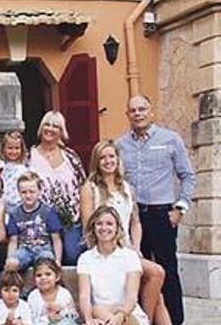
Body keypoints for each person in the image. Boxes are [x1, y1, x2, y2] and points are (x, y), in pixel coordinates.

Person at [116, 95, 194, 325]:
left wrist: (180, 208)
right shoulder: (120, 145)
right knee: (137, 270)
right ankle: (144, 319)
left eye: (142, 109)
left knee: (167, 269)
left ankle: (175, 320)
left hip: (162, 215)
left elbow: (187, 176)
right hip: (133, 217)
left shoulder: (171, 140)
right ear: (127, 115)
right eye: (133, 110)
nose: (138, 113)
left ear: (151, 112)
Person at [80, 139, 172, 325]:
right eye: (102, 157)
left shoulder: (127, 188)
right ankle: (140, 319)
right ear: (96, 162)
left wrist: (136, 247)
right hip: (105, 245)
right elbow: (88, 224)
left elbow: (135, 222)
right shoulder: (90, 188)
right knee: (156, 273)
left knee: (158, 291)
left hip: (127, 246)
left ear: (117, 159)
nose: (108, 161)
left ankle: (141, 319)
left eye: (111, 156)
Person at [28, 111, 85, 265]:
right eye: (47, 124)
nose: (50, 129)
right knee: (47, 259)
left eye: (56, 126)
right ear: (41, 128)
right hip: (41, 219)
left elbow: (82, 184)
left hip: (71, 219)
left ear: (62, 131)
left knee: (73, 256)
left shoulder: (71, 157)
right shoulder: (29, 156)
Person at [77, 207, 150, 325]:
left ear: (117, 228)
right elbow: (84, 295)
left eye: (109, 224)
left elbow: (132, 297)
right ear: (93, 228)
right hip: (100, 315)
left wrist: (120, 317)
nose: (104, 228)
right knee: (98, 309)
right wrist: (88, 318)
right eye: (99, 224)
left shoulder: (130, 256)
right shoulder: (85, 258)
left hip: (128, 314)